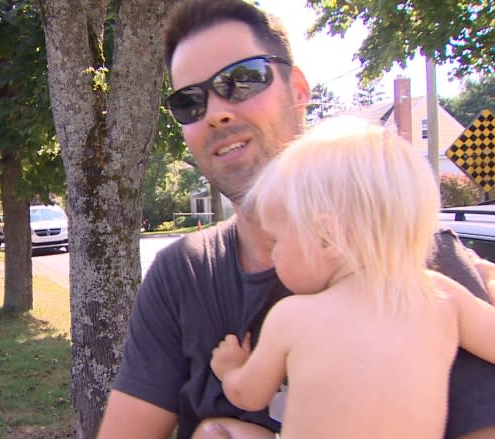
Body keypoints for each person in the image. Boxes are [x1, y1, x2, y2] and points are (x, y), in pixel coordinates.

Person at [96, 0, 495, 438]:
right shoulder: (182, 274)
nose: (215, 113)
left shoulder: (419, 255)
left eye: (243, 79)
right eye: (189, 102)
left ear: (298, 88)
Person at [194, 115, 495, 439]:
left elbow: (248, 396)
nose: (273, 254)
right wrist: (489, 283)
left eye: (276, 240)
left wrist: (230, 369)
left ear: (326, 237)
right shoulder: (442, 296)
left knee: (214, 431)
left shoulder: (292, 316)